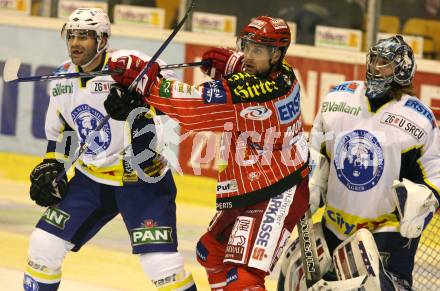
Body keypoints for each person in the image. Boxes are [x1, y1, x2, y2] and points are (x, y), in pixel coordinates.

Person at [104, 15, 311, 291]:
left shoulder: (253, 94)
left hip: (278, 190)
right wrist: (230, 63)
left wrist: (145, 81)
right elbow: (246, 73)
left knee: (244, 280)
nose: (248, 55)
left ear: (276, 54)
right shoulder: (282, 72)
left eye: (257, 50)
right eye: (245, 46)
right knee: (209, 251)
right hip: (255, 184)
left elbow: (192, 108)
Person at [23, 8, 196, 291]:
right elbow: (64, 131)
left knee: (161, 266)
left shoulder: (129, 66)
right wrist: (54, 165)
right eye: (72, 35)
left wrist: (140, 105)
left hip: (141, 179)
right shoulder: (62, 78)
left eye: (85, 36)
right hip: (92, 179)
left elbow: (176, 103)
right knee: (44, 245)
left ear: (102, 40)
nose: (76, 43)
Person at [279, 35, 440, 290]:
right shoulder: (338, 100)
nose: (376, 68)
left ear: (402, 70)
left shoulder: (419, 120)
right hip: (333, 227)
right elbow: (315, 151)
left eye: (385, 63)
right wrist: (309, 185)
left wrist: (422, 204)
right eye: (374, 60)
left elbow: (436, 175)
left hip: (385, 238)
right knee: (293, 277)